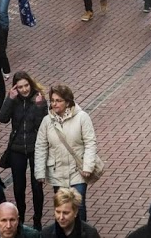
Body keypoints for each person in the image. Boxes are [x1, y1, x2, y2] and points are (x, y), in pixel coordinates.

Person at [34, 86, 98, 222]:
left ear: (67, 102)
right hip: (58, 173)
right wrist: (39, 172)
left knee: (78, 207)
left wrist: (88, 167)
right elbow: (40, 146)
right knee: (62, 208)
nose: (54, 104)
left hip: (78, 172)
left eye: (58, 100)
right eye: (52, 100)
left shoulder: (82, 118)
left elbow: (90, 143)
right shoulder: (47, 121)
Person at [0, 72, 49, 229]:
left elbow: (43, 125)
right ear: (15, 88)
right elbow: (2, 118)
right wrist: (9, 99)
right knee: (19, 187)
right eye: (20, 87)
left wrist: (41, 106)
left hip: (35, 148)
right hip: (17, 148)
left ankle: (37, 220)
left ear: (31, 84)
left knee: (36, 187)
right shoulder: (14, 100)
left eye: (26, 85)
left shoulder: (39, 99)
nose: (24, 89)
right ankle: (19, 220)